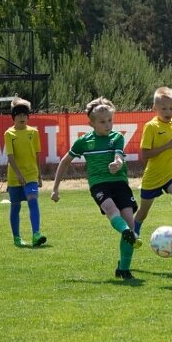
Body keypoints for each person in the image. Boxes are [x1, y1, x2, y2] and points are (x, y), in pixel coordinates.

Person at [51, 97, 142, 280]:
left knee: (131, 223)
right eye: (102, 121)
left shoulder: (117, 137)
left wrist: (117, 164)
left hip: (120, 183)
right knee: (111, 209)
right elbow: (65, 161)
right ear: (91, 123)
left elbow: (118, 156)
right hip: (99, 184)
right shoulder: (84, 142)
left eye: (110, 120)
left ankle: (123, 269)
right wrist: (55, 188)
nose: (107, 124)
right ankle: (125, 232)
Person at [133, 87, 172, 258]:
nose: (168, 112)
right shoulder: (151, 127)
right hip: (153, 177)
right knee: (143, 213)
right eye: (164, 108)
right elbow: (145, 154)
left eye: (171, 108)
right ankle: (133, 233)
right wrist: (167, 146)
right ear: (155, 108)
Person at [4, 97, 47, 247]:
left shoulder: (34, 132)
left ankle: (36, 234)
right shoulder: (9, 134)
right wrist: (18, 175)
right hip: (15, 176)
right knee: (15, 206)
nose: (22, 118)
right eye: (19, 115)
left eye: (25, 115)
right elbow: (10, 157)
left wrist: (39, 175)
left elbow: (36, 155)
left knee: (32, 199)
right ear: (13, 117)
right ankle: (17, 238)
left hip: (31, 175)